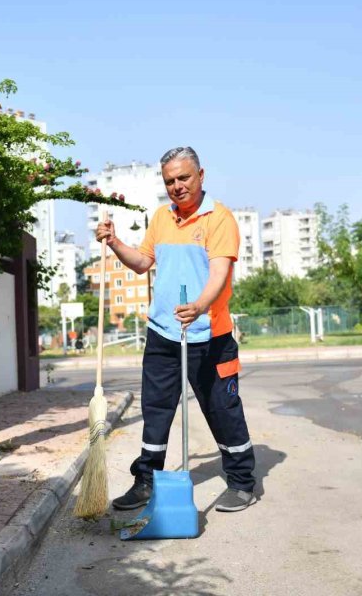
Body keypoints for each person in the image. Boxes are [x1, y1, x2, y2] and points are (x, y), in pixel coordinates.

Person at [95, 146, 257, 513]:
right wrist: (115, 241)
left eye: (184, 177)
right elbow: (141, 263)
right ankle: (146, 481)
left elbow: (219, 272)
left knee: (222, 410)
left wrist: (199, 305)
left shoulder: (219, 218)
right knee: (155, 412)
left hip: (210, 336)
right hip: (164, 334)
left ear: (201, 175)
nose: (177, 186)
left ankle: (242, 482)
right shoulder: (161, 218)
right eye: (170, 180)